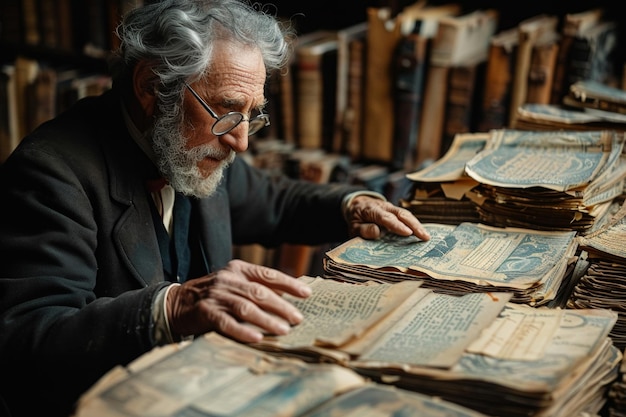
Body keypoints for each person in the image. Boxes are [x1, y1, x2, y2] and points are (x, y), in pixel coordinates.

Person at [0, 1, 430, 416]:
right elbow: (26, 341)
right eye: (226, 111)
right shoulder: (51, 173)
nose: (241, 141)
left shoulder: (185, 144)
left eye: (252, 115)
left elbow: (273, 200)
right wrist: (170, 308)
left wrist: (351, 204)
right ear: (152, 85)